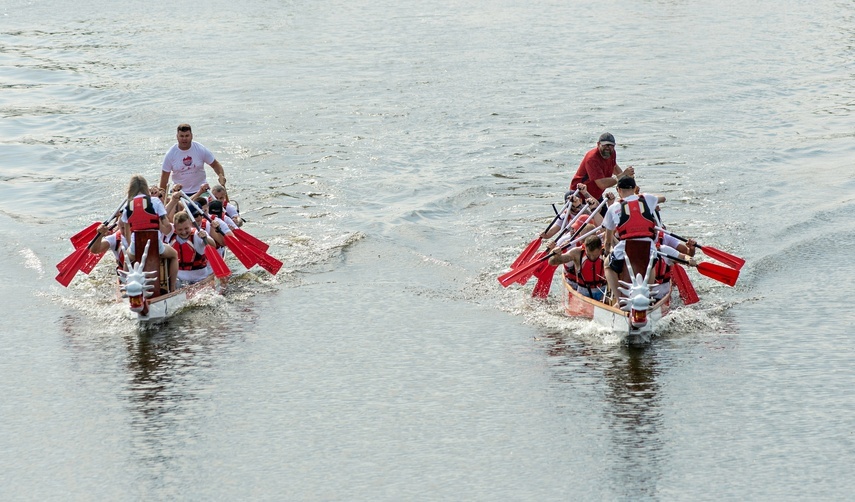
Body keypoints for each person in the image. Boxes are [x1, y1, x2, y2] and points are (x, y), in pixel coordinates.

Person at [602, 176, 664, 305]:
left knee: (607, 265)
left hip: (625, 246)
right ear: (635, 188)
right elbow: (663, 198)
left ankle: (620, 300)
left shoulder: (614, 207)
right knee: (650, 264)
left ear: (618, 190)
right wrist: (645, 196)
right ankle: (648, 299)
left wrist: (607, 251)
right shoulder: (647, 199)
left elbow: (608, 240)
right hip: (648, 245)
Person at [121, 174, 179, 292]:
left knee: (126, 260)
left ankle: (125, 288)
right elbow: (167, 224)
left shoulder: (128, 205)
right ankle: (172, 288)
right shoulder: (155, 201)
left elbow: (127, 232)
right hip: (155, 245)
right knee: (174, 255)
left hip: (135, 246)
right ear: (146, 188)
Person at [159, 124, 227, 196]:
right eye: (181, 136)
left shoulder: (200, 149)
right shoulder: (170, 154)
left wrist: (221, 175)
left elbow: (215, 164)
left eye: (187, 136)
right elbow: (164, 178)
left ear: (191, 136)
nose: (184, 139)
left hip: (202, 190)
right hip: (180, 193)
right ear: (177, 137)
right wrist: (162, 197)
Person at [569, 132, 635, 203]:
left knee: (605, 213)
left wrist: (628, 181)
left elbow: (614, 167)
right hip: (579, 195)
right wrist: (622, 176)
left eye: (610, 145)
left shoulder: (612, 153)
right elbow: (602, 184)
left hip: (596, 194)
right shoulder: (592, 159)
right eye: (604, 145)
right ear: (598, 144)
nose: (607, 148)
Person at [548, 234, 608, 301]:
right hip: (583, 292)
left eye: (594, 255)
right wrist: (554, 253)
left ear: (600, 248)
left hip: (603, 290)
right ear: (585, 247)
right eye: (589, 254)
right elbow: (552, 262)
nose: (592, 257)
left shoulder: (607, 252)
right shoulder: (577, 252)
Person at [169, 211, 215, 286]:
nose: (183, 232)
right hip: (180, 281)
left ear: (190, 224)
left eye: (186, 228)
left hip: (200, 279)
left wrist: (205, 238)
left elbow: (213, 246)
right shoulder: (170, 235)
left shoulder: (198, 234)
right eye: (180, 229)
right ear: (174, 227)